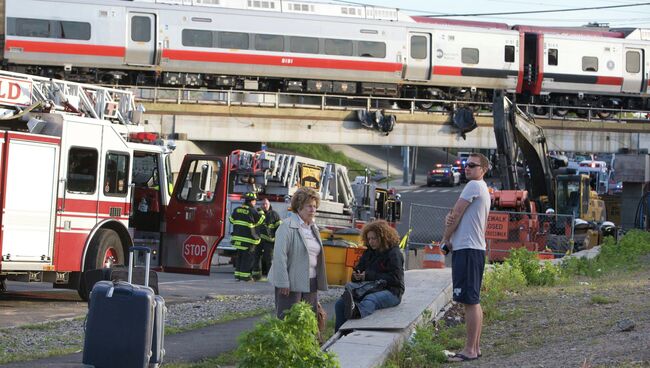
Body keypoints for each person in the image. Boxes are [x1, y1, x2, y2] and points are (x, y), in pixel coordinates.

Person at [442, 152, 491, 362]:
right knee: (473, 300)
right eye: (466, 164)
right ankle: (475, 348)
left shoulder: (473, 186)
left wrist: (445, 238)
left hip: (468, 249)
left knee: (469, 301)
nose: (467, 168)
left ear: (483, 169)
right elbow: (458, 215)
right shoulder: (482, 188)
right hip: (475, 249)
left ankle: (470, 350)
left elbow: (456, 213)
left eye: (472, 165)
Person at [268, 187, 328, 319]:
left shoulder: (313, 227)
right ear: (299, 207)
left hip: (311, 281)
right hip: (291, 283)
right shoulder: (287, 226)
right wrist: (283, 281)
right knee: (289, 321)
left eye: (314, 206)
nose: (312, 210)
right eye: (309, 206)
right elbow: (279, 256)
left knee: (309, 321)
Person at [334, 220, 404, 332]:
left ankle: (356, 312)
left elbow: (396, 280)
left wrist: (368, 276)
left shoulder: (394, 254)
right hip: (371, 287)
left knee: (370, 299)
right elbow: (359, 269)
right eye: (369, 238)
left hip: (392, 292)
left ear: (383, 237)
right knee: (340, 304)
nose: (371, 242)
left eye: (374, 238)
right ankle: (339, 334)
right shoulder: (369, 252)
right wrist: (356, 275)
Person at [229, 192, 265, 282]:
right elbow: (260, 221)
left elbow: (231, 220)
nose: (255, 203)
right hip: (248, 240)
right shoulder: (252, 211)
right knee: (248, 259)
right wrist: (261, 212)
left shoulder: (237, 209)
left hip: (237, 239)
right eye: (255, 201)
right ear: (252, 201)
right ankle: (246, 277)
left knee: (239, 257)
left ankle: (238, 275)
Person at [252, 198, 282, 281]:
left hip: (269, 241)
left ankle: (270, 277)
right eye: (263, 204)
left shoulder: (274, 215)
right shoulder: (257, 214)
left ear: (269, 205)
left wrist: (276, 239)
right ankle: (256, 276)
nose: (264, 206)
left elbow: (279, 228)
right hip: (257, 240)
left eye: (266, 204)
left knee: (269, 259)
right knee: (256, 257)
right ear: (261, 205)